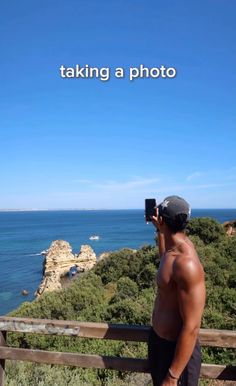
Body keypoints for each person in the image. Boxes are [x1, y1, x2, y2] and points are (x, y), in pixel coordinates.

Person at [149, 195, 206, 386]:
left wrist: (173, 377)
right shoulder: (172, 251)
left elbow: (192, 326)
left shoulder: (186, 263)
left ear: (163, 219)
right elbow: (165, 263)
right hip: (159, 344)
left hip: (177, 356)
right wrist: (159, 230)